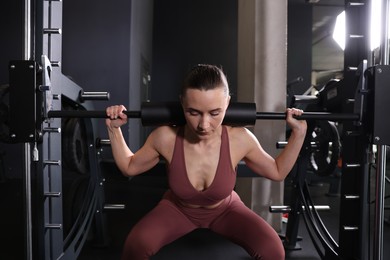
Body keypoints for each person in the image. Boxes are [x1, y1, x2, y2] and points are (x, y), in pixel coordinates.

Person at [105, 64, 307, 260]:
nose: (203, 124)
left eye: (214, 113)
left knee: (273, 250)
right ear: (182, 103)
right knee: (135, 246)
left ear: (227, 103)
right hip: (178, 209)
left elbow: (278, 171)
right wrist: (114, 129)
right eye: (193, 112)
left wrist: (298, 133)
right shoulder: (165, 137)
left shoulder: (239, 139)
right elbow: (129, 167)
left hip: (226, 210)